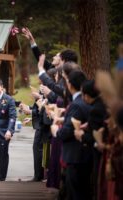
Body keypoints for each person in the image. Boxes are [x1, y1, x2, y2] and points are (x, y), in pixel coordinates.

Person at [51, 70, 92, 200]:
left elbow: (66, 132)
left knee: (75, 194)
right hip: (82, 156)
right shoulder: (83, 101)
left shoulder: (76, 104)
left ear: (70, 84)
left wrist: (55, 129)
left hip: (76, 157)